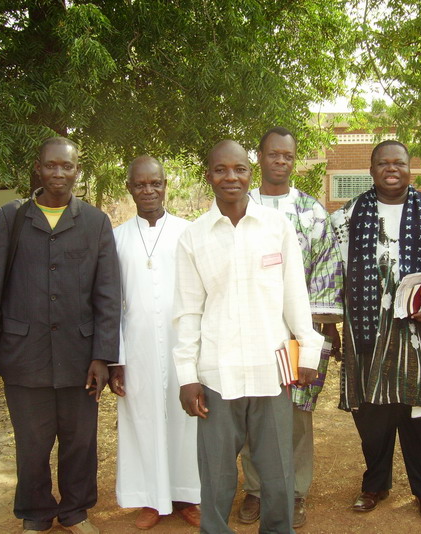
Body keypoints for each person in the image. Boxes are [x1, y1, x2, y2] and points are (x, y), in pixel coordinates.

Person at [0, 137, 121, 534]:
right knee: (32, 443)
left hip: (79, 355)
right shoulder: (12, 217)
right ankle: (35, 513)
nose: (58, 174)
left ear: (77, 171)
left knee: (80, 442)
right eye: (51, 166)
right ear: (38, 168)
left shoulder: (95, 222)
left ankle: (75, 511)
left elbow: (108, 295)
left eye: (66, 167)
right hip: (24, 353)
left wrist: (103, 356)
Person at [172, 140, 324, 534]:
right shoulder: (194, 237)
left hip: (271, 370)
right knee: (218, 473)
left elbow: (295, 295)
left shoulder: (277, 228)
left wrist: (308, 353)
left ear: (249, 173)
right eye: (220, 170)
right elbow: (188, 312)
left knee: (276, 472)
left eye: (238, 169)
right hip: (217, 374)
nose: (230, 177)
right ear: (209, 176)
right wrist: (187, 375)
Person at [330, 140, 421, 522]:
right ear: (371, 170)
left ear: (409, 169)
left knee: (419, 417)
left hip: (420, 331)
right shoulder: (347, 216)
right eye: (383, 163)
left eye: (398, 163)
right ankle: (375, 485)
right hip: (367, 332)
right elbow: (336, 274)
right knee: (372, 418)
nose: (391, 169)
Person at [239, 127, 343, 528]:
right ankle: (255, 490)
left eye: (288, 156)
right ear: (260, 157)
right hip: (248, 331)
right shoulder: (238, 206)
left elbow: (327, 272)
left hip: (296, 335)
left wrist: (308, 332)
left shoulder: (312, 213)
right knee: (252, 410)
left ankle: (295, 492)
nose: (280, 161)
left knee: (296, 414)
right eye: (273, 154)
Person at [109, 156, 200, 530]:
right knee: (142, 420)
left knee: (187, 421)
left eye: (155, 183)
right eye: (140, 184)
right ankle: (150, 499)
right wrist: (116, 359)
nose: (148, 190)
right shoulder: (116, 238)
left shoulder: (189, 231)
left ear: (166, 186)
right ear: (129, 187)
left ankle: (188, 496)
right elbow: (109, 303)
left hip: (183, 344)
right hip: (138, 346)